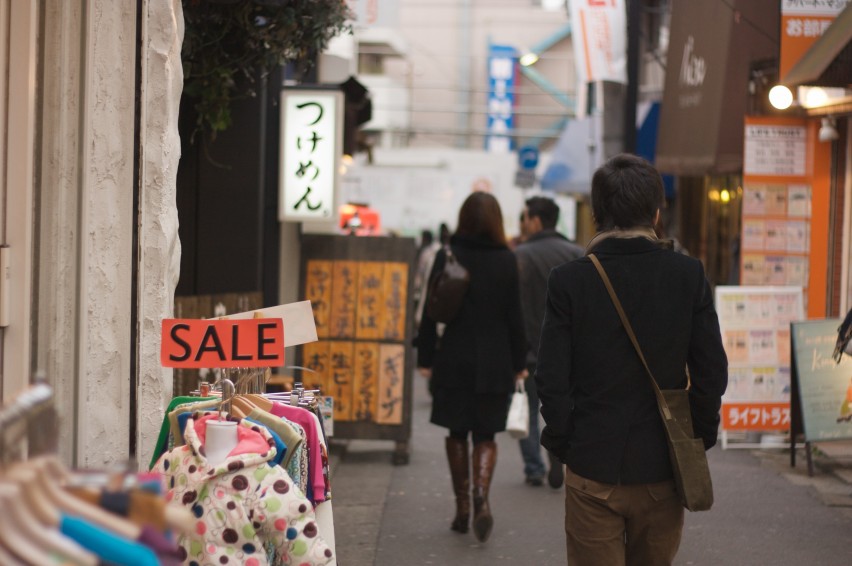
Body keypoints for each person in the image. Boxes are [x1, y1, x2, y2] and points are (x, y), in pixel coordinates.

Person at [535, 154, 728, 565]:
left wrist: (565, 439)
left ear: (597, 215)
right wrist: (697, 436)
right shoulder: (687, 275)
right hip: (663, 465)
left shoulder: (569, 281)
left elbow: (551, 375)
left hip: (591, 462)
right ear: (657, 213)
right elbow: (712, 371)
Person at [417, 192, 526, 543]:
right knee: (486, 434)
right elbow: (515, 318)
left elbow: (430, 312)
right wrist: (519, 362)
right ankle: (481, 495)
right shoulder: (508, 260)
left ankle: (463, 508)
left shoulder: (448, 254)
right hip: (495, 360)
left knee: (456, 432)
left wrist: (425, 358)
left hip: (455, 357)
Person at [514, 196, 583, 488]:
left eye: (525, 217)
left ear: (536, 221)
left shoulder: (520, 255)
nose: (523, 223)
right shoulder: (576, 253)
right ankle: (558, 455)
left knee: (528, 409)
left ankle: (533, 467)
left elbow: (512, 306)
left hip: (529, 348)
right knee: (562, 405)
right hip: (569, 349)